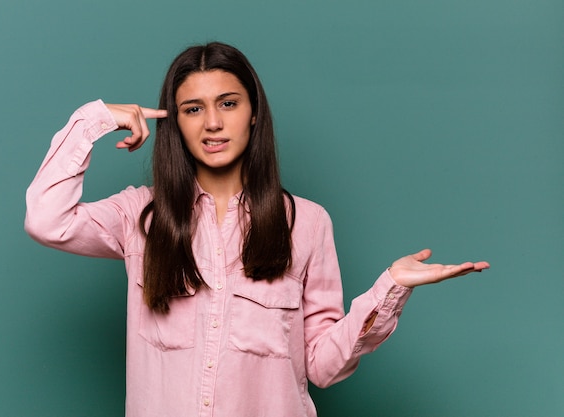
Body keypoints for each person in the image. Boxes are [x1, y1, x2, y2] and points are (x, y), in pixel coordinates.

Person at [25, 42, 489, 417]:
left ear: (253, 111)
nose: (212, 123)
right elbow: (47, 221)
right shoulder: (140, 215)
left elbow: (322, 367)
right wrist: (95, 120)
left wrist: (390, 287)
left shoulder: (306, 222)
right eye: (192, 109)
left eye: (227, 103)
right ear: (176, 123)